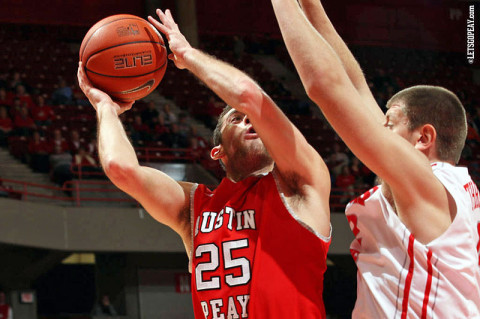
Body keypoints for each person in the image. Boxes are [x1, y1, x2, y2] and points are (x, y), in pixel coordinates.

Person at [77, 8, 331, 318]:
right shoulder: (195, 208)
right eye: (237, 119)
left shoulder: (303, 182)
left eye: (255, 120)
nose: (251, 121)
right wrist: (105, 108)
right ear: (218, 152)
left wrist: (186, 55)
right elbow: (121, 169)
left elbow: (248, 95)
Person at [271, 0, 480, 317]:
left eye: (390, 125)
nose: (380, 132)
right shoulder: (445, 187)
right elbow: (355, 85)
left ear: (423, 138)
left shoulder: (427, 182)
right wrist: (311, 6)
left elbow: (325, 86)